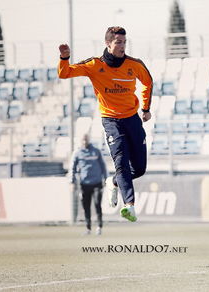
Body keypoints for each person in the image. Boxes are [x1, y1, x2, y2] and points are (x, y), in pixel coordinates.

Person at [59, 26, 152, 223]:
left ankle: (113, 182)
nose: (122, 46)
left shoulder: (134, 64)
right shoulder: (94, 64)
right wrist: (64, 58)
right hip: (111, 121)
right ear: (108, 44)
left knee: (140, 168)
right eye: (118, 42)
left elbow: (148, 81)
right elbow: (65, 74)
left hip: (132, 119)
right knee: (121, 161)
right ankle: (129, 206)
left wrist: (145, 108)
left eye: (124, 42)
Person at [71, 134, 108, 236]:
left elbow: (103, 165)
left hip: (97, 183)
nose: (84, 142)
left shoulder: (96, 151)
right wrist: (72, 182)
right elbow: (73, 168)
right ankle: (88, 228)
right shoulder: (78, 153)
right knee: (86, 207)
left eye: (86, 139)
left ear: (89, 140)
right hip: (84, 184)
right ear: (80, 141)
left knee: (97, 204)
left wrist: (106, 178)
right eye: (82, 140)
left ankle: (99, 227)